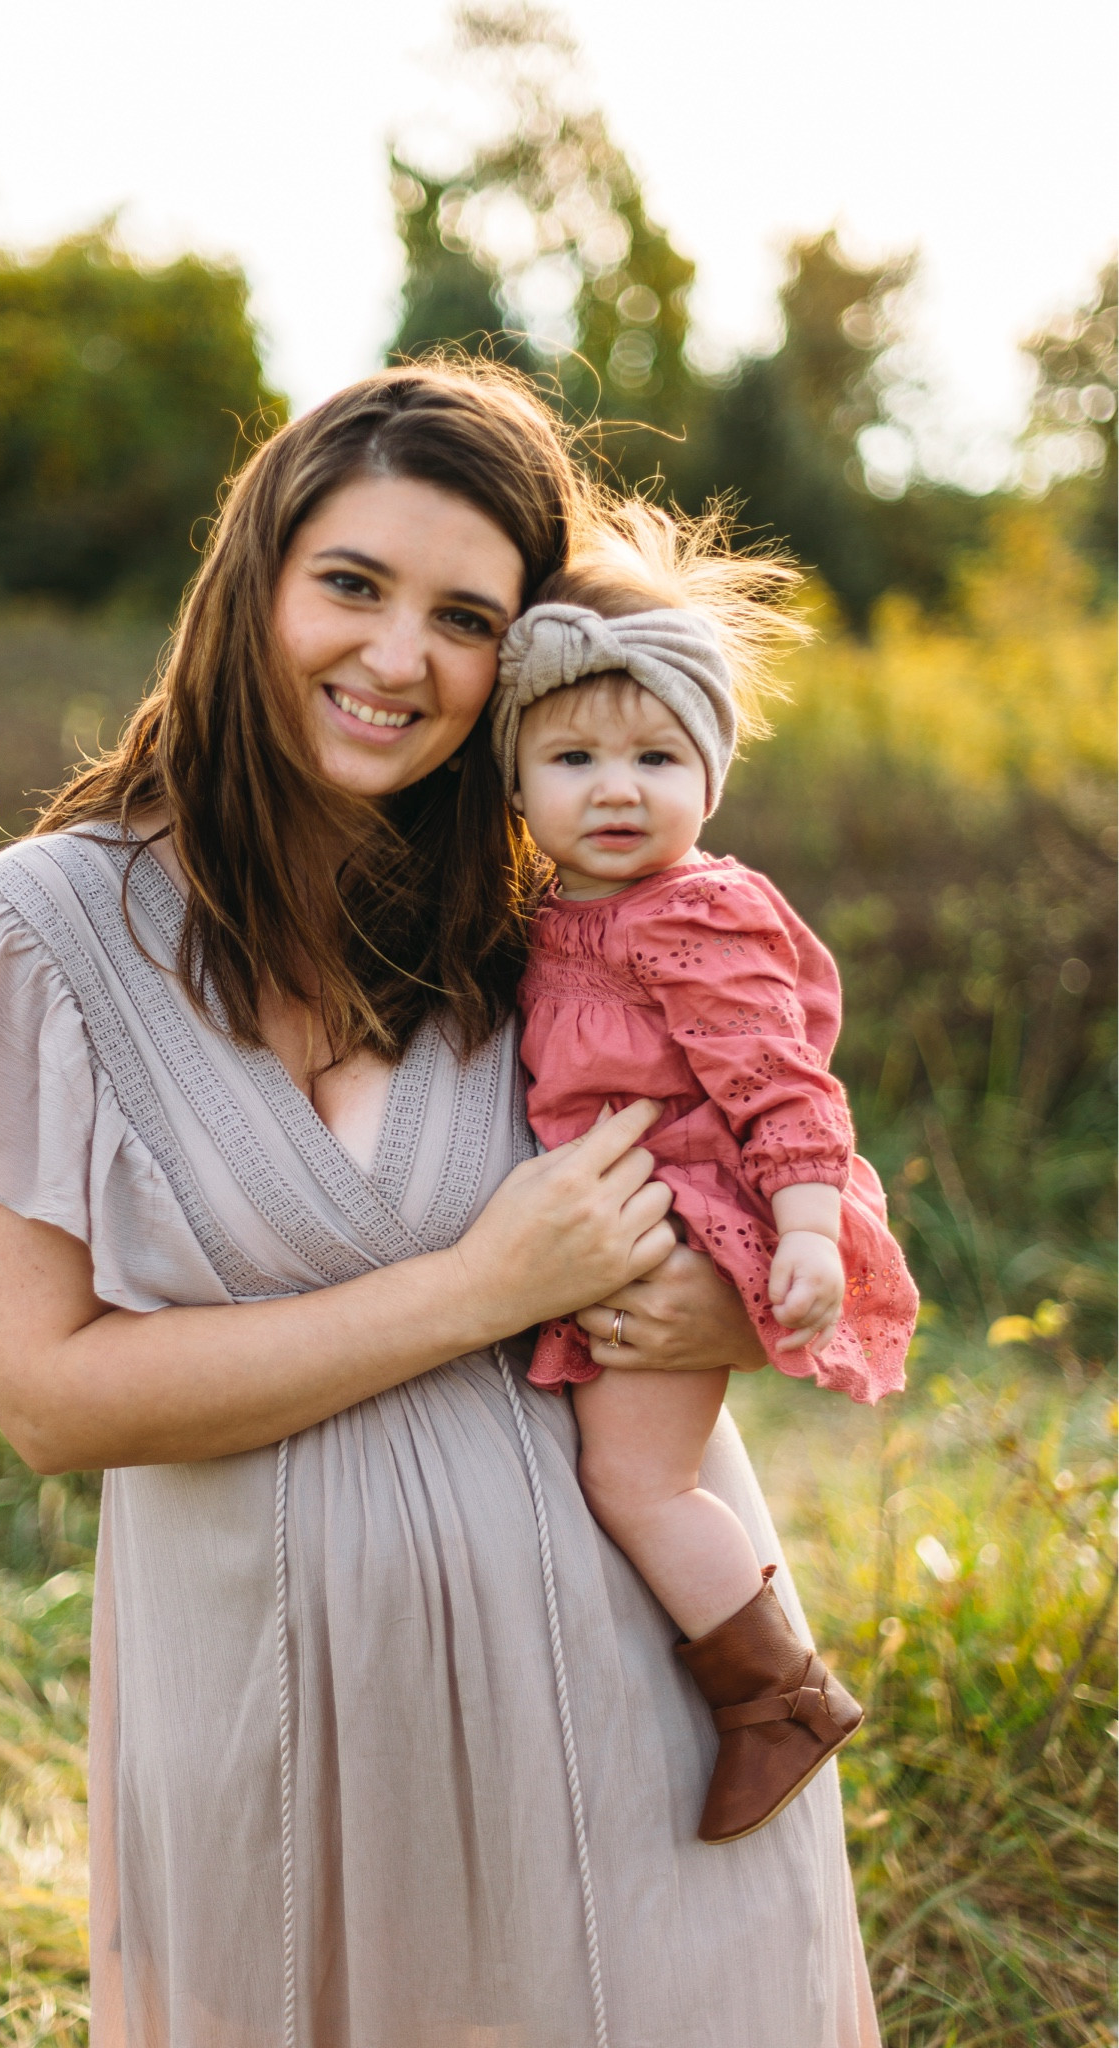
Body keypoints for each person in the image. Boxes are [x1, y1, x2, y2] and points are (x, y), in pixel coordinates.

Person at [0, 365, 882, 2046]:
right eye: (351, 584)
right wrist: (478, 1288)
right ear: (253, 582)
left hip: (640, 1731)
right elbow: (47, 1399)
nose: (399, 657)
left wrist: (723, 1295)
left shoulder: (552, 917)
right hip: (276, 1743)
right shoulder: (38, 940)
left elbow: (794, 1171)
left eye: (465, 617)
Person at [491, 501, 918, 1852]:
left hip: (696, 1232)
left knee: (639, 1486)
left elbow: (780, 1085)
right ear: (514, 786)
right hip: (616, 1228)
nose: (616, 788)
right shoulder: (559, 914)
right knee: (620, 1477)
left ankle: (772, 1694)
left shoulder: (693, 916)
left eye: (656, 757)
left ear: (711, 773)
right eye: (572, 756)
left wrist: (803, 1229)